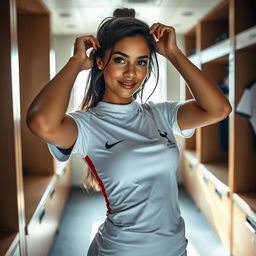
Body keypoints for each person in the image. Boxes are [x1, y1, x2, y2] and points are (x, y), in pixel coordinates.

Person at [26, 7, 232, 256]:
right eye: (120, 59)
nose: (132, 73)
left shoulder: (161, 114)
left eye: (142, 62)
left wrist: (174, 53)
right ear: (100, 61)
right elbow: (40, 122)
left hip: (175, 249)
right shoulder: (86, 125)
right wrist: (76, 63)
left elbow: (219, 109)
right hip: (120, 251)